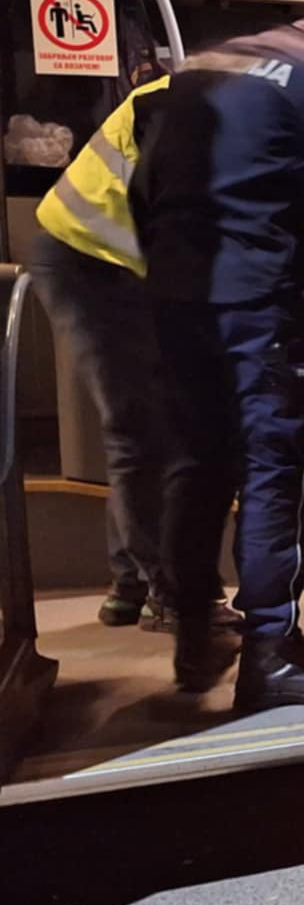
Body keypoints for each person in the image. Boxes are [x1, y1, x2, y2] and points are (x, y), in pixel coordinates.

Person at [130, 15, 304, 707]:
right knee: (273, 462)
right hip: (255, 295)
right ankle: (272, 652)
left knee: (200, 460)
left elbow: (141, 190)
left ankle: (196, 632)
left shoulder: (198, 71)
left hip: (176, 295)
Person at [28, 77, 234, 631]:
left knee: (156, 422)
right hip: (86, 254)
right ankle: (168, 595)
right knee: (138, 426)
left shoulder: (234, 93)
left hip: (119, 255)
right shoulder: (221, 104)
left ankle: (130, 583)